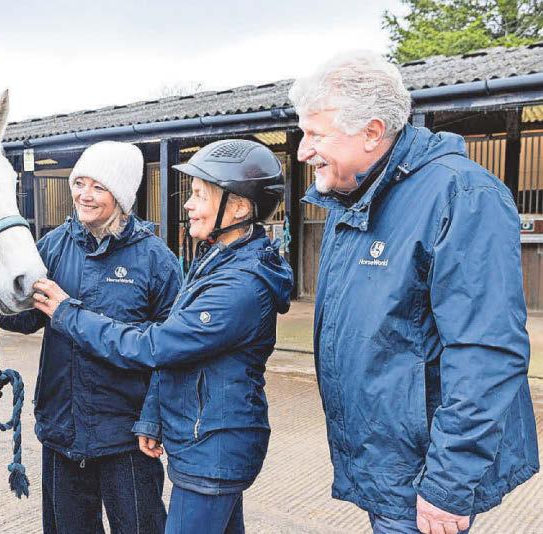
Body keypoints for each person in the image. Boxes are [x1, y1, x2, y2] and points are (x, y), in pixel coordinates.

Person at [289, 51, 539, 533]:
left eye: (316, 135)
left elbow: (485, 353)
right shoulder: (355, 194)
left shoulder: (462, 196)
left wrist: (447, 486)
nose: (303, 151)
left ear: (372, 131)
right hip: (385, 465)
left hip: (424, 476)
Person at [32, 139, 293, 534]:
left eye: (198, 196)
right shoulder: (215, 262)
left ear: (238, 208)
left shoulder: (233, 284)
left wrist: (69, 313)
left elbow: (156, 346)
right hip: (101, 434)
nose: (186, 205)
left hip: (198, 444)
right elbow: (21, 313)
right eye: (79, 182)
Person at [0, 141, 181, 533]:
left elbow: (169, 354)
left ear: (122, 195)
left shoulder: (155, 261)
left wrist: (153, 420)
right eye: (79, 183)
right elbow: (24, 320)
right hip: (62, 433)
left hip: (125, 439)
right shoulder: (56, 247)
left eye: (98, 186)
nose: (84, 195)